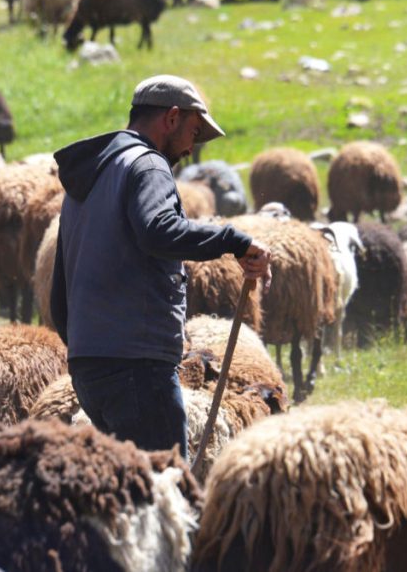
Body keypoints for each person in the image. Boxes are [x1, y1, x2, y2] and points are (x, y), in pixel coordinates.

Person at [50, 74, 272, 459]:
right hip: (137, 366)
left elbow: (60, 288)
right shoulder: (149, 166)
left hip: (90, 366)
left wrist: (88, 347)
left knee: (129, 495)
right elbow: (158, 231)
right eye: (193, 131)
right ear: (171, 118)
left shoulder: (90, 176)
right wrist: (232, 241)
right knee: (166, 492)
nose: (191, 148)